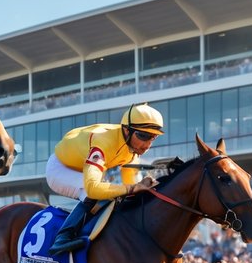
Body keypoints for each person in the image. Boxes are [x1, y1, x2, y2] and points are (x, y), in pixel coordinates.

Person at [46, 103, 165, 255]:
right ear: (126, 130)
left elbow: (130, 185)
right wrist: (132, 188)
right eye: (143, 136)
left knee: (119, 197)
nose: (147, 145)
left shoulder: (132, 148)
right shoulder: (103, 142)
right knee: (95, 195)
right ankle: (62, 238)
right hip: (60, 169)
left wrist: (138, 188)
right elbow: (93, 188)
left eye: (153, 138)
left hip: (82, 169)